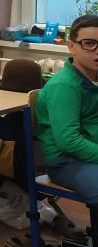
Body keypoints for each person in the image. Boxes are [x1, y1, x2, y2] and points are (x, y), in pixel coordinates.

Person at [35, 15, 98, 210]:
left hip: (89, 152)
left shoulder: (92, 78)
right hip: (66, 161)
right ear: (71, 46)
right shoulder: (64, 85)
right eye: (89, 44)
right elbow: (68, 141)